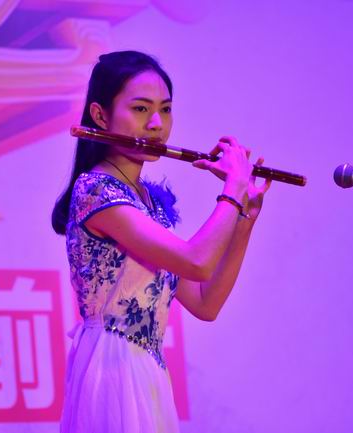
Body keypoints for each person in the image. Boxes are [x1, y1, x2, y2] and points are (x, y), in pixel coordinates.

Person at [52, 50, 270, 433]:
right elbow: (196, 260)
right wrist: (232, 190)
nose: (156, 124)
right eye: (141, 109)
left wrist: (245, 217)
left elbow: (205, 302)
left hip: (145, 369)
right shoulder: (97, 191)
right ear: (100, 115)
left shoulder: (145, 201)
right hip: (112, 370)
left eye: (165, 110)